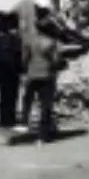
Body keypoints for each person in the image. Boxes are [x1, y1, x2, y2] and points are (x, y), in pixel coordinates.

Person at [20, 9, 65, 143]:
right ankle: (43, 134)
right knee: (46, 105)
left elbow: (24, 59)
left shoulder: (29, 41)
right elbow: (56, 61)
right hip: (47, 75)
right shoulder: (52, 43)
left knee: (27, 100)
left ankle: (24, 123)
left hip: (32, 75)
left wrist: (27, 69)